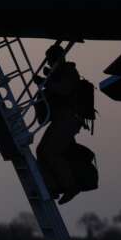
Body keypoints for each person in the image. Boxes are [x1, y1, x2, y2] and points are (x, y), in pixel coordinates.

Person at [34, 44, 85, 204]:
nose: (49, 62)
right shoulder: (59, 73)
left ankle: (70, 185)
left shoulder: (69, 72)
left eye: (51, 59)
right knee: (43, 151)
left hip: (68, 119)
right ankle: (53, 186)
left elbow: (63, 90)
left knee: (49, 152)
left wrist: (46, 82)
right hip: (62, 119)